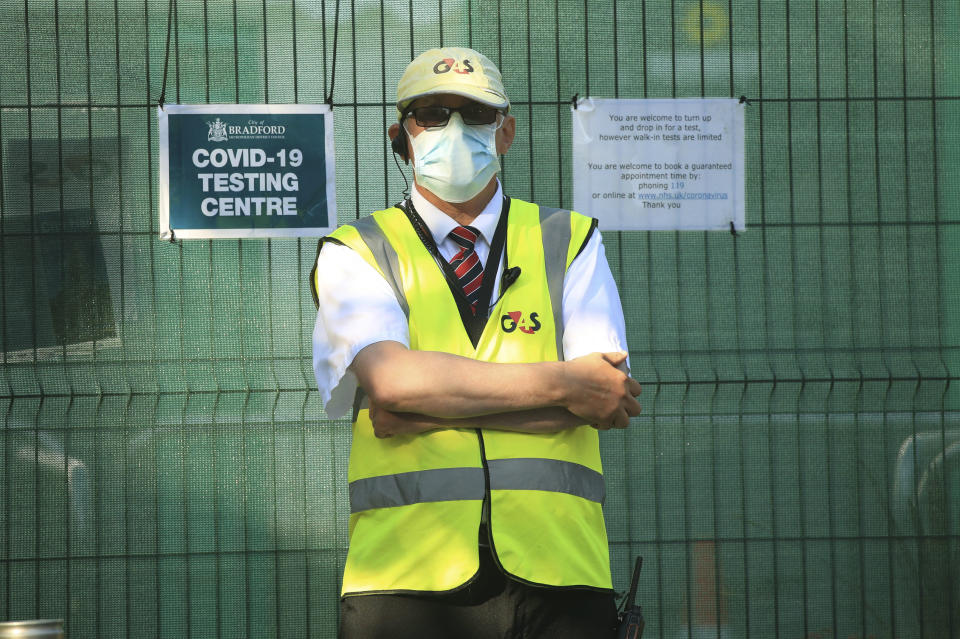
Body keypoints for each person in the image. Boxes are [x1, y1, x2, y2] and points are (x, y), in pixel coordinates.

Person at [309, 46, 642, 639]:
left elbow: (606, 399)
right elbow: (391, 382)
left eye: (475, 114)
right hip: (405, 582)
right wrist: (564, 384)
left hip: (560, 575)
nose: (453, 129)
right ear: (401, 136)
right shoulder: (354, 250)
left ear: (506, 131)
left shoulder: (571, 239)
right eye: (431, 114)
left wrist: (420, 410)